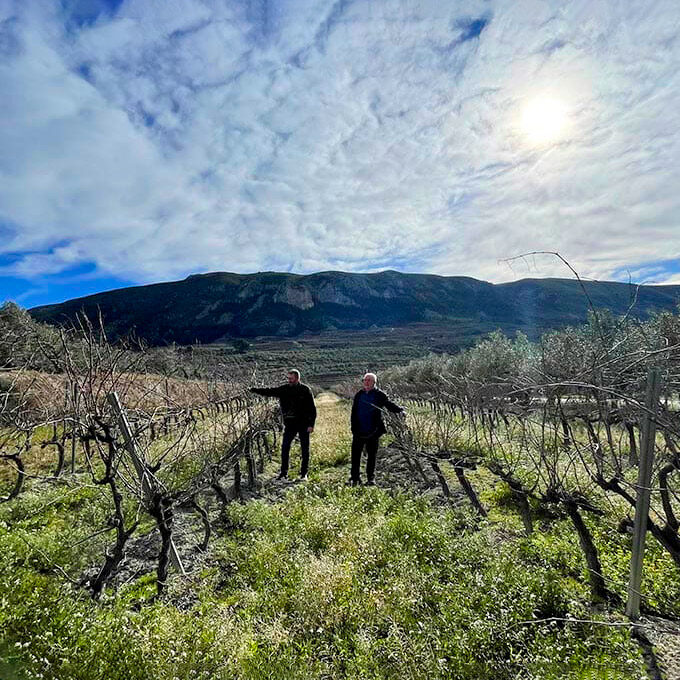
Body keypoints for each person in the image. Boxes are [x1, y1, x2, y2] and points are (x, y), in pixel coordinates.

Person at [250, 369, 316, 480]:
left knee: (305, 449)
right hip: (290, 424)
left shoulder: (305, 390)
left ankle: (304, 474)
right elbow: (269, 391)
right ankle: (283, 473)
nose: (289, 380)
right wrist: (253, 390)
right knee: (285, 448)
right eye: (288, 378)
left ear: (297, 378)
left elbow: (312, 409)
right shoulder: (284, 389)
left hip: (304, 424)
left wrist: (311, 424)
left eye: (291, 378)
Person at [349, 372, 404, 486]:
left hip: (373, 431)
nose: (367, 382)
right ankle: (355, 478)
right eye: (365, 380)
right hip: (358, 431)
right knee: (355, 455)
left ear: (374, 382)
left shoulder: (379, 395)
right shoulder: (359, 394)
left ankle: (370, 478)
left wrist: (400, 410)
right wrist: (353, 427)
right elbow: (354, 412)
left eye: (369, 380)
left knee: (372, 456)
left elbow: (388, 404)